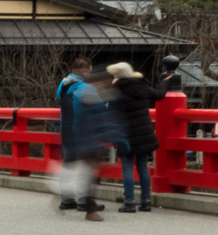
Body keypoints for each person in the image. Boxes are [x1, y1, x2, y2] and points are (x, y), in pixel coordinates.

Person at [55, 57, 109, 221]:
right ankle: (82, 201)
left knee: (69, 163)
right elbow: (100, 107)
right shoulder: (85, 88)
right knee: (85, 167)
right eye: (89, 71)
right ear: (84, 71)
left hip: (66, 129)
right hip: (82, 131)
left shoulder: (62, 86)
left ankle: (66, 199)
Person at [106, 61, 159, 212]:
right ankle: (146, 201)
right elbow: (159, 94)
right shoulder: (141, 88)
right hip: (143, 133)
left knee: (127, 168)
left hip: (125, 134)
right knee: (143, 167)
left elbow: (111, 115)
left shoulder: (116, 92)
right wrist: (164, 83)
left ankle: (129, 202)